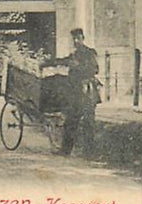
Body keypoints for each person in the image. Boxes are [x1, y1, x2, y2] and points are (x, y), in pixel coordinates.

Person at [41, 28, 100, 156]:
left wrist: (77, 66)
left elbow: (95, 69)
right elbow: (63, 61)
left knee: (88, 122)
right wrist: (48, 63)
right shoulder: (74, 54)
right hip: (76, 92)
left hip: (87, 91)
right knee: (71, 121)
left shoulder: (90, 53)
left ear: (83, 38)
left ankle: (89, 152)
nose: (75, 41)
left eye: (78, 38)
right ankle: (66, 150)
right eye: (73, 39)